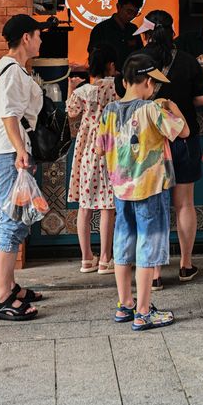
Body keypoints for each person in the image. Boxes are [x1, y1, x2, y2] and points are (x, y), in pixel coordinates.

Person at [97, 54, 190, 331]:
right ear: (148, 81)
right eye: (155, 84)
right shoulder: (153, 109)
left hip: (121, 189)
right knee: (148, 247)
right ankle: (144, 311)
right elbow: (183, 132)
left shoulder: (109, 111)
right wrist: (172, 106)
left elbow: (101, 149)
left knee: (123, 244)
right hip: (150, 189)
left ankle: (125, 303)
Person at [128, 9, 203, 289]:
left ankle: (154, 274)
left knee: (154, 206)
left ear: (147, 34)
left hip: (149, 144)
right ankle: (186, 265)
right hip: (182, 139)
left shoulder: (137, 62)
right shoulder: (187, 60)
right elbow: (201, 98)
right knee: (184, 204)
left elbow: (124, 96)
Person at [0, 14, 46, 322]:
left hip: (13, 153)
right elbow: (8, 114)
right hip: (9, 154)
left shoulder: (15, 70)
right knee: (10, 221)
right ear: (26, 38)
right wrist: (21, 151)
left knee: (19, 219)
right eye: (38, 35)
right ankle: (1, 299)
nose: (40, 40)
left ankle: (10, 287)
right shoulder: (10, 71)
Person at [67, 43, 118, 275]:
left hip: (87, 150)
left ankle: (87, 259)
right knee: (108, 205)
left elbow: (71, 111)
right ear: (111, 65)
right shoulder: (116, 88)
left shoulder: (83, 91)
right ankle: (106, 259)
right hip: (109, 149)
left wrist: (71, 87)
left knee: (85, 206)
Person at [87, 0, 144, 71]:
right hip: (107, 81)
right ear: (118, 7)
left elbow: (140, 56)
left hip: (130, 80)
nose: (131, 16)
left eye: (135, 13)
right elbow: (93, 60)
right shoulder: (101, 30)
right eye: (129, 12)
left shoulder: (133, 30)